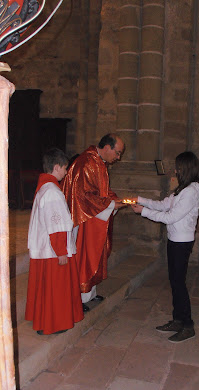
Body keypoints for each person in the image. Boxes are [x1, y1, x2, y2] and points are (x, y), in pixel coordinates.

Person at [131, 151, 199, 343]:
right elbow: (164, 205)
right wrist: (139, 199)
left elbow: (171, 217)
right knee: (174, 281)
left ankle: (188, 325)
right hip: (175, 239)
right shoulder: (184, 188)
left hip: (182, 241)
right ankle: (177, 319)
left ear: (187, 168)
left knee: (179, 283)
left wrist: (144, 212)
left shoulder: (191, 191)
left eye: (178, 167)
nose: (175, 170)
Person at [62, 134, 125, 312]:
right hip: (82, 219)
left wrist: (118, 200)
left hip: (93, 218)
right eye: (117, 153)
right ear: (107, 147)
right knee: (83, 257)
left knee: (93, 255)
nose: (118, 158)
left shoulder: (99, 163)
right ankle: (77, 296)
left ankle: (89, 293)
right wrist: (112, 204)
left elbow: (102, 192)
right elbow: (83, 195)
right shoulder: (86, 163)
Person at [25, 148, 84, 335]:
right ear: (56, 167)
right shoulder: (52, 192)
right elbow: (56, 225)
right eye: (65, 168)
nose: (66, 172)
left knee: (47, 289)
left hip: (46, 248)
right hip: (53, 251)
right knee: (56, 289)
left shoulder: (44, 188)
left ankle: (45, 320)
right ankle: (53, 323)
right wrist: (61, 251)